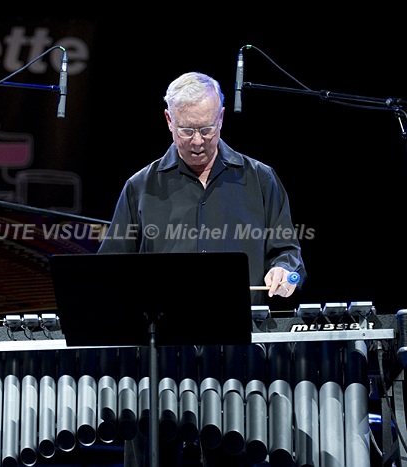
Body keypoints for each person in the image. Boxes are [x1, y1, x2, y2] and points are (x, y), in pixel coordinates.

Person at [98, 72, 307, 467]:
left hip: (238, 363)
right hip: (158, 364)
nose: (197, 141)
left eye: (207, 129)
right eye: (187, 130)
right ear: (168, 120)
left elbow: (289, 255)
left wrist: (286, 274)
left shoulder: (260, 179)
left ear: (222, 118)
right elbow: (110, 273)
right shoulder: (140, 187)